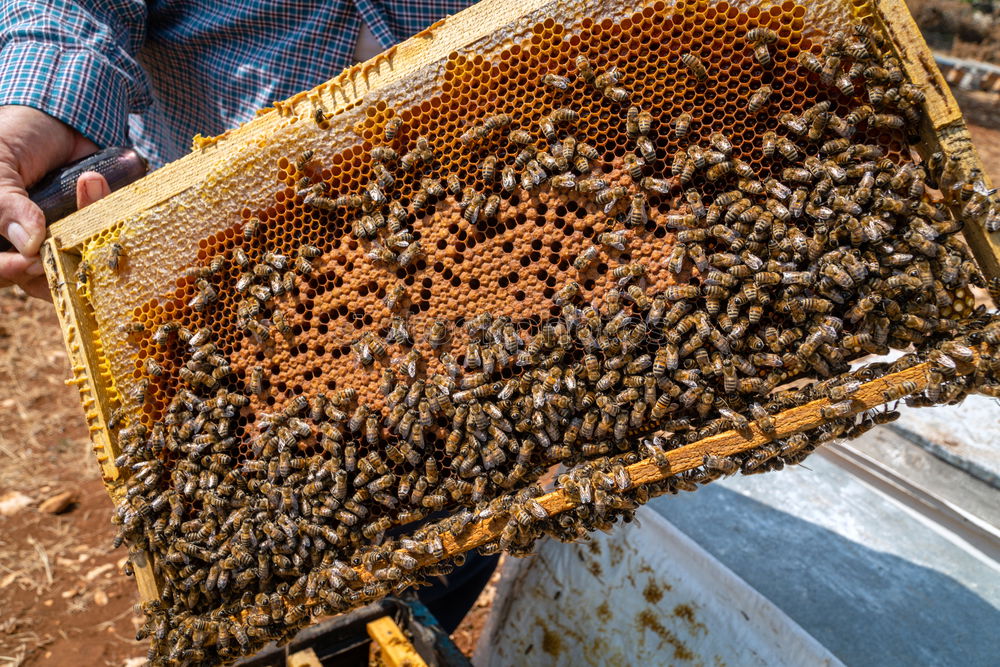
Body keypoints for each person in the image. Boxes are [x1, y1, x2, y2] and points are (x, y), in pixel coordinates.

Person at [0, 0, 496, 633]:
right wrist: (44, 100)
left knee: (468, 488)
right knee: (264, 548)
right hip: (239, 267)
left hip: (482, 211)